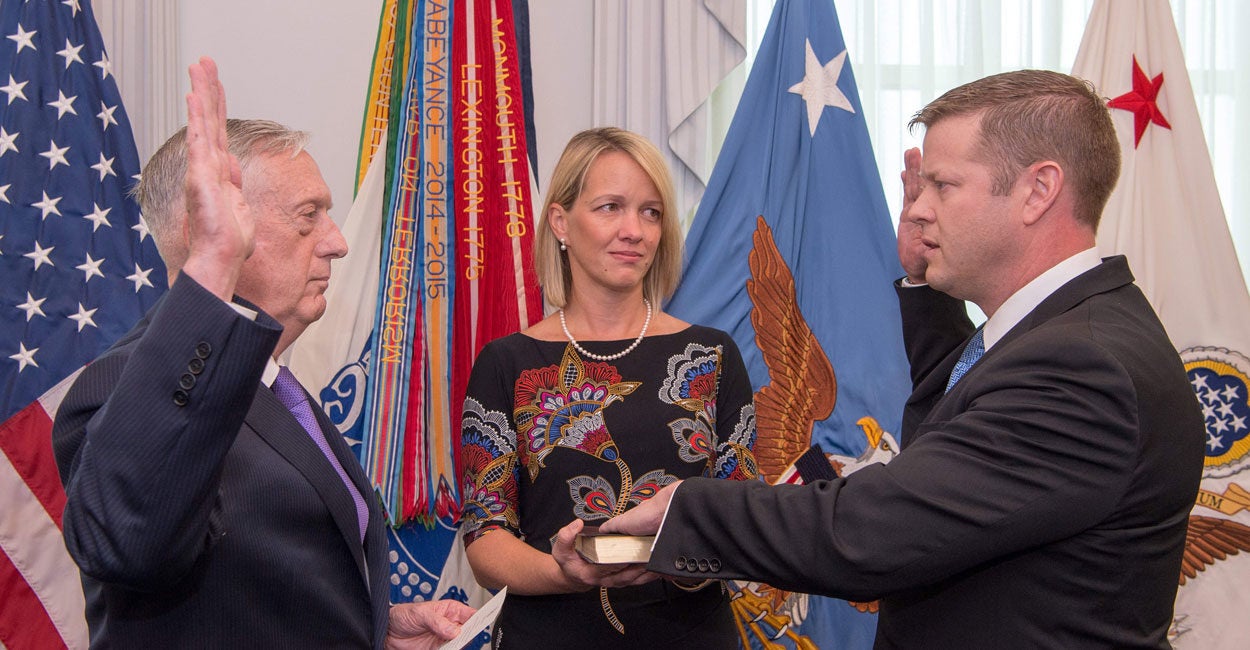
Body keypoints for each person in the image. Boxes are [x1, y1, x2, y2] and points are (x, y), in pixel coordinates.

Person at [601, 69, 1206, 648]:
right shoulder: (1066, 331)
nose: (917, 208)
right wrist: (924, 284)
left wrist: (688, 508)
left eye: (944, 186)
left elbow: (871, 534)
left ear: (1037, 191)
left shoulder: (1081, 369)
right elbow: (963, 423)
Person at [53, 57, 474, 649]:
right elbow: (129, 544)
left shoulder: (274, 383)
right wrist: (212, 267)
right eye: (308, 217)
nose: (337, 242)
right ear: (207, 229)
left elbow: (260, 586)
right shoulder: (122, 384)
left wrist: (376, 629)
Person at [457, 127, 761, 647]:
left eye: (651, 212)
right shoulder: (505, 364)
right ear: (561, 222)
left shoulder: (711, 356)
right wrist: (564, 573)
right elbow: (486, 539)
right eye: (610, 207)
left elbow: (745, 517)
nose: (634, 230)